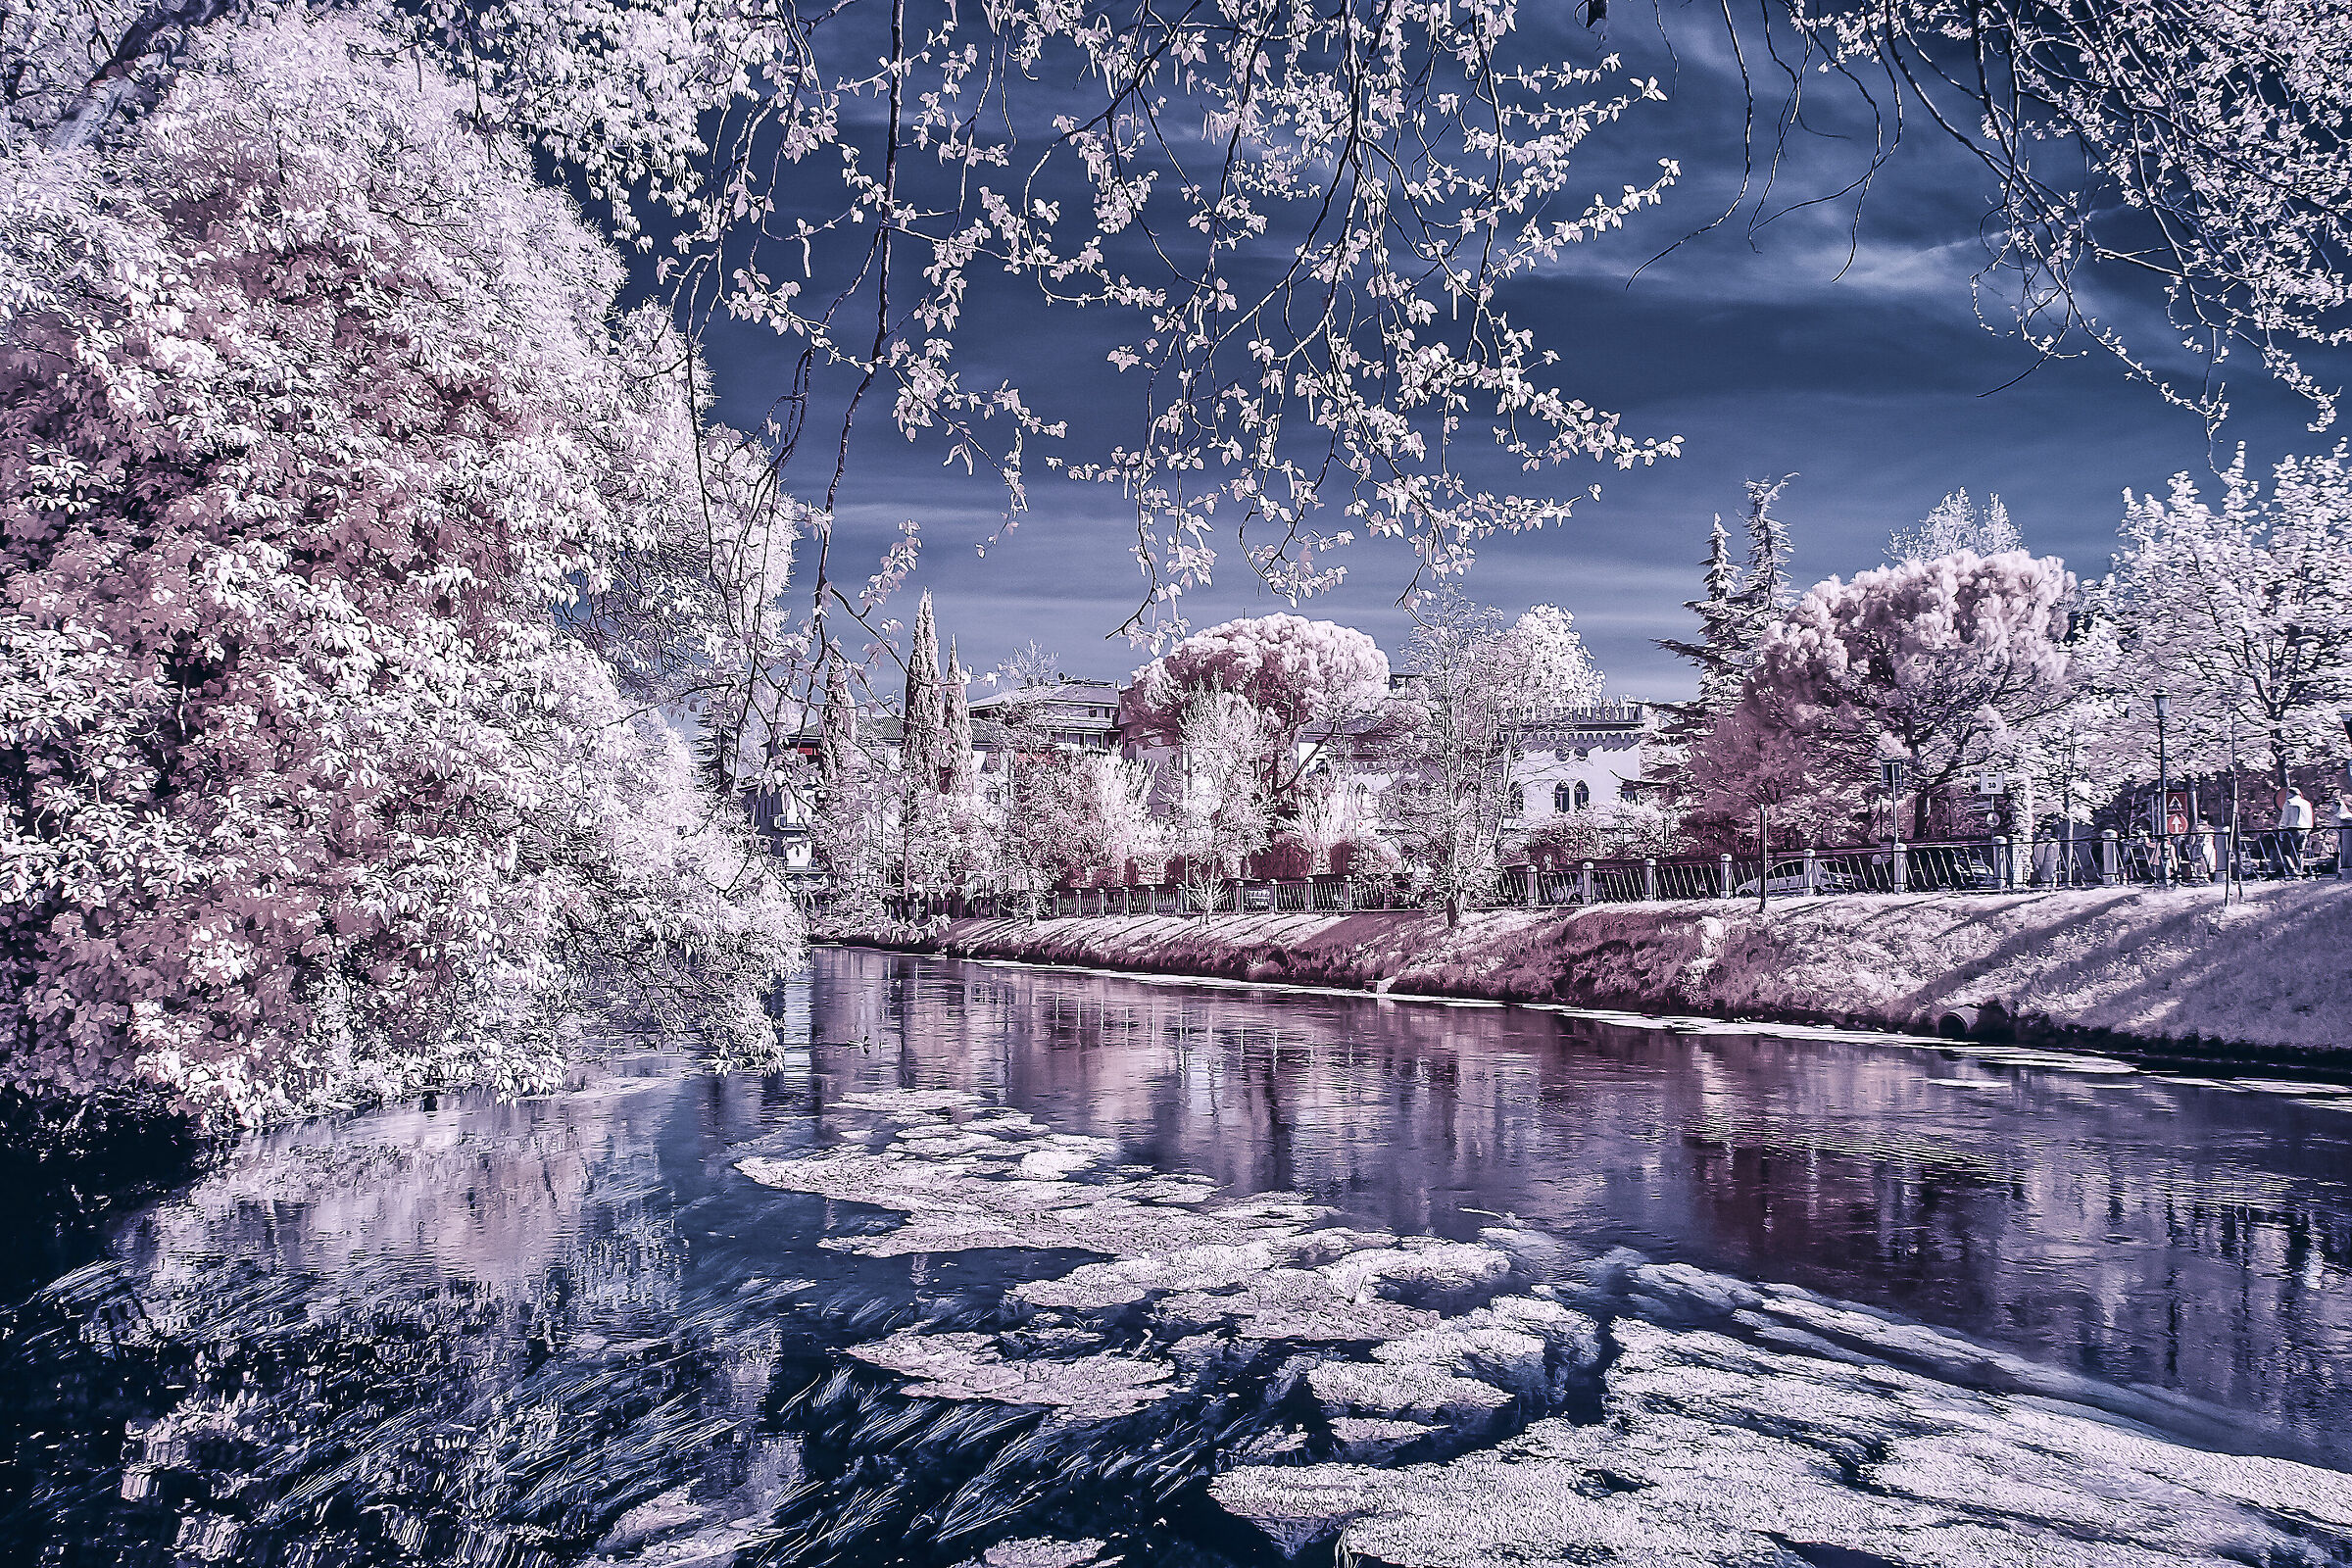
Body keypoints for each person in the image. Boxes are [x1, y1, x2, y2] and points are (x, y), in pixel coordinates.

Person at [2276, 786, 2316, 877]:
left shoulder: (2289, 802)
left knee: (2285, 852)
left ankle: (2292, 871)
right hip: (2305, 829)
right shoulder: (2307, 803)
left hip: (2292, 829)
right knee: (2300, 852)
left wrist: (2281, 830)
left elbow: (2285, 819)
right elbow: (2310, 818)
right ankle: (2299, 871)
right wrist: (2309, 829)